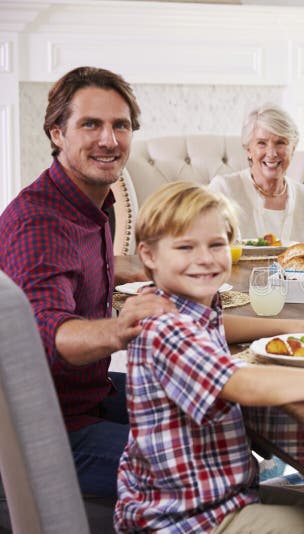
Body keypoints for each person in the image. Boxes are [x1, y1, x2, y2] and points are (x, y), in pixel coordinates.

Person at [115, 181, 304, 532]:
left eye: (216, 244)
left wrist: (291, 326)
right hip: (185, 518)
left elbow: (217, 325)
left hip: (222, 495)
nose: (204, 258)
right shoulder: (164, 326)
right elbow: (241, 384)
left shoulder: (187, 307)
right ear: (149, 256)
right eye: (185, 247)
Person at [0, 66, 177, 498]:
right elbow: (50, 335)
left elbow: (69, 263)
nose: (109, 139)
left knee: (210, 419)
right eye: (91, 124)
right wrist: (123, 327)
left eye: (120, 125)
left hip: (86, 397)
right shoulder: (39, 222)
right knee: (196, 463)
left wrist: (130, 265)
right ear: (57, 133)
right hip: (45, 432)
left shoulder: (82, 203)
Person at [208, 102, 304, 243]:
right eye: (261, 143)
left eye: (280, 143)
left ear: (293, 149)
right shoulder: (223, 190)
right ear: (249, 149)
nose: (271, 153)